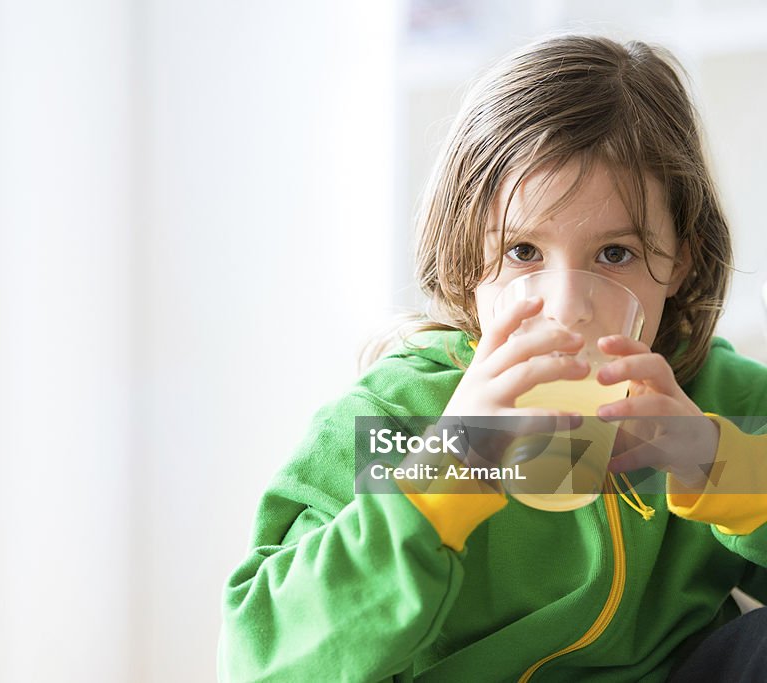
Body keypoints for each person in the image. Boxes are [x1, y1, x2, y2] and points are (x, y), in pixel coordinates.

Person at [217, 34, 767, 682]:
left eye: (614, 253)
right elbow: (260, 656)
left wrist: (717, 465)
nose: (567, 307)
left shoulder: (720, 400)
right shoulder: (395, 418)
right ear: (464, 259)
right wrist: (440, 475)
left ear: (683, 258)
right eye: (524, 253)